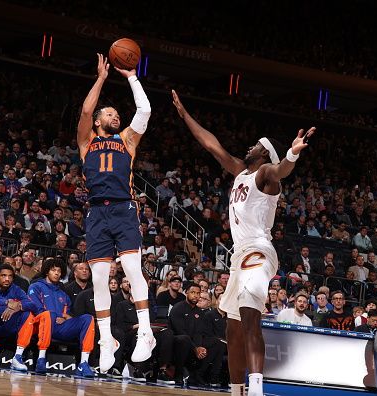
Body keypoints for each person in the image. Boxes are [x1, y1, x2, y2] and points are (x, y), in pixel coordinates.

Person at [172, 89, 315, 396]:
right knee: (233, 329)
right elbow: (213, 147)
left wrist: (292, 153)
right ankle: (237, 390)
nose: (249, 147)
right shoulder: (241, 172)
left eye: (256, 145)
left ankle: (256, 388)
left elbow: (281, 170)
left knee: (251, 312)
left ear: (264, 153)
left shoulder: (265, 173)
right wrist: (185, 116)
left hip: (259, 252)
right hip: (240, 257)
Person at [77, 54, 153, 373]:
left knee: (133, 270)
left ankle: (146, 332)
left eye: (117, 113)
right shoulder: (86, 142)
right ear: (98, 121)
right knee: (98, 279)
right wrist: (101, 79)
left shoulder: (127, 141)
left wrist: (132, 77)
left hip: (123, 209)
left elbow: (145, 110)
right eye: (110, 112)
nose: (116, 115)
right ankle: (107, 340)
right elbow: (84, 109)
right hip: (97, 214)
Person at [0, 263, 51, 372]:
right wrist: (6, 302)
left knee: (28, 315)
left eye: (10, 276)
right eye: (3, 276)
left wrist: (18, 306)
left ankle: (18, 357)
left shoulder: (16, 289)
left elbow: (32, 304)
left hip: (8, 325)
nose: (7, 279)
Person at [28, 258, 95, 377]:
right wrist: (58, 316)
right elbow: (37, 309)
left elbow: (67, 313)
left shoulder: (63, 293)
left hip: (59, 326)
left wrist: (65, 318)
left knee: (87, 318)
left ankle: (83, 362)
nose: (57, 273)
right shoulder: (36, 286)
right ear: (47, 272)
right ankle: (41, 359)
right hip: (41, 325)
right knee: (48, 315)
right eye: (53, 270)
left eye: (59, 271)